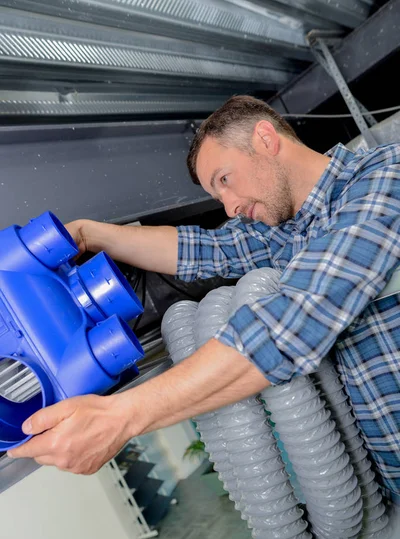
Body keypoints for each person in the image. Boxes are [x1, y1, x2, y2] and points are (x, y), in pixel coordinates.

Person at [8, 95, 400, 504]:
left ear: (266, 138)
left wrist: (119, 417)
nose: (229, 207)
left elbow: (292, 325)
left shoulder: (383, 178)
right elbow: (201, 249)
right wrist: (88, 234)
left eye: (224, 180)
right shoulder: (289, 232)